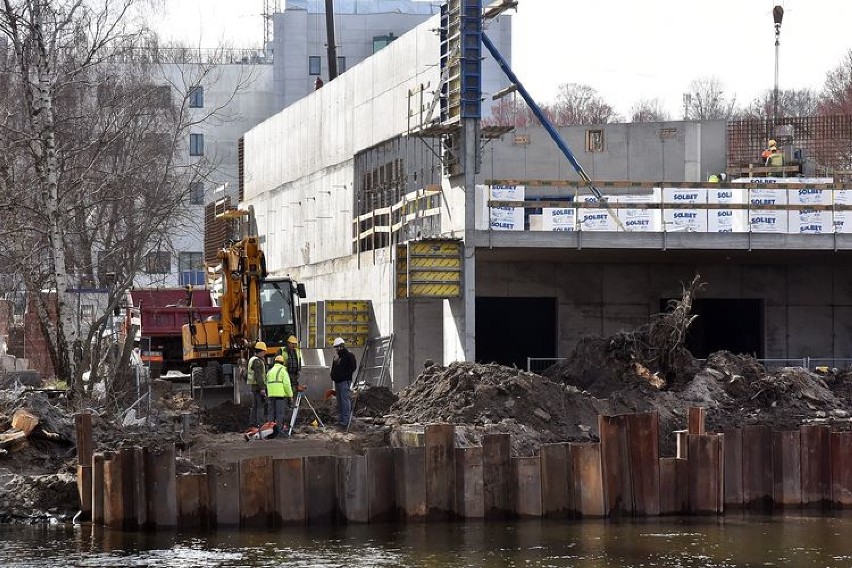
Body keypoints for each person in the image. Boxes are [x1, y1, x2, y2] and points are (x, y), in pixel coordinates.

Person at [330, 337, 357, 427]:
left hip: (344, 381)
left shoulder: (349, 355)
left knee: (345, 400)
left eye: (337, 347)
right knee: (340, 401)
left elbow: (353, 367)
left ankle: (345, 420)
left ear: (341, 346)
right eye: (335, 347)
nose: (336, 349)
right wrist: (333, 376)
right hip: (338, 382)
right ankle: (341, 419)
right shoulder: (337, 357)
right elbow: (334, 368)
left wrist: (344, 376)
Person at [265, 355, 293, 430]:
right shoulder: (283, 371)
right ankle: (279, 430)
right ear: (282, 363)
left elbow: (266, 383)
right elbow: (287, 385)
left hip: (270, 395)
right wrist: (290, 395)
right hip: (279, 396)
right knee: (279, 414)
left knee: (271, 414)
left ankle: (270, 430)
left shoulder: (270, 371)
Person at [246, 341, 268, 429]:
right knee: (260, 406)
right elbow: (259, 375)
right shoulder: (257, 361)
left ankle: (252, 424)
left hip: (254, 387)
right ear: (261, 351)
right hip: (258, 387)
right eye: (264, 352)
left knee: (254, 406)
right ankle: (260, 424)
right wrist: (262, 389)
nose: (265, 353)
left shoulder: (252, 359)